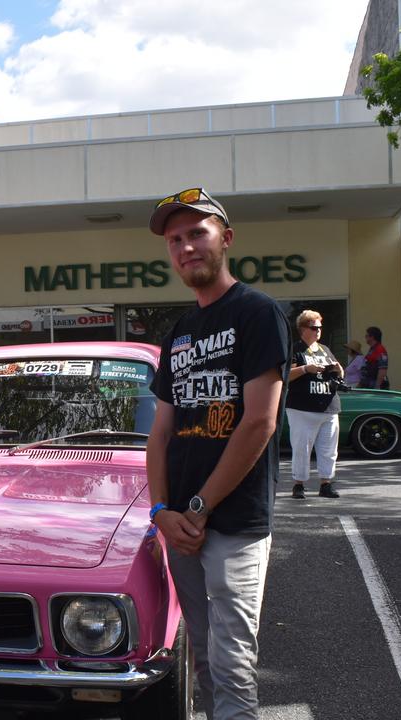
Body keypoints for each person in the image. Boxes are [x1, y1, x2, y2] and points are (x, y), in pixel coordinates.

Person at [145, 186, 289, 720]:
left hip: (233, 523)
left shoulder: (258, 313)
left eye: (197, 234)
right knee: (202, 658)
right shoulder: (179, 333)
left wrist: (198, 508)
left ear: (225, 239)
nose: (185, 247)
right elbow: (160, 433)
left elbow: (259, 421)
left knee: (231, 664)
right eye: (175, 239)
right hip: (182, 526)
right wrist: (163, 513)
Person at [286, 310, 344, 499]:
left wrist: (339, 369)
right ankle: (299, 484)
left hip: (328, 406)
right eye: (314, 327)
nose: (318, 331)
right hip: (302, 407)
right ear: (303, 329)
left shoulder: (325, 349)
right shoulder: (295, 349)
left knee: (328, 449)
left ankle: (326, 483)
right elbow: (285, 375)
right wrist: (306, 369)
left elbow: (339, 375)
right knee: (302, 447)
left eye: (320, 327)